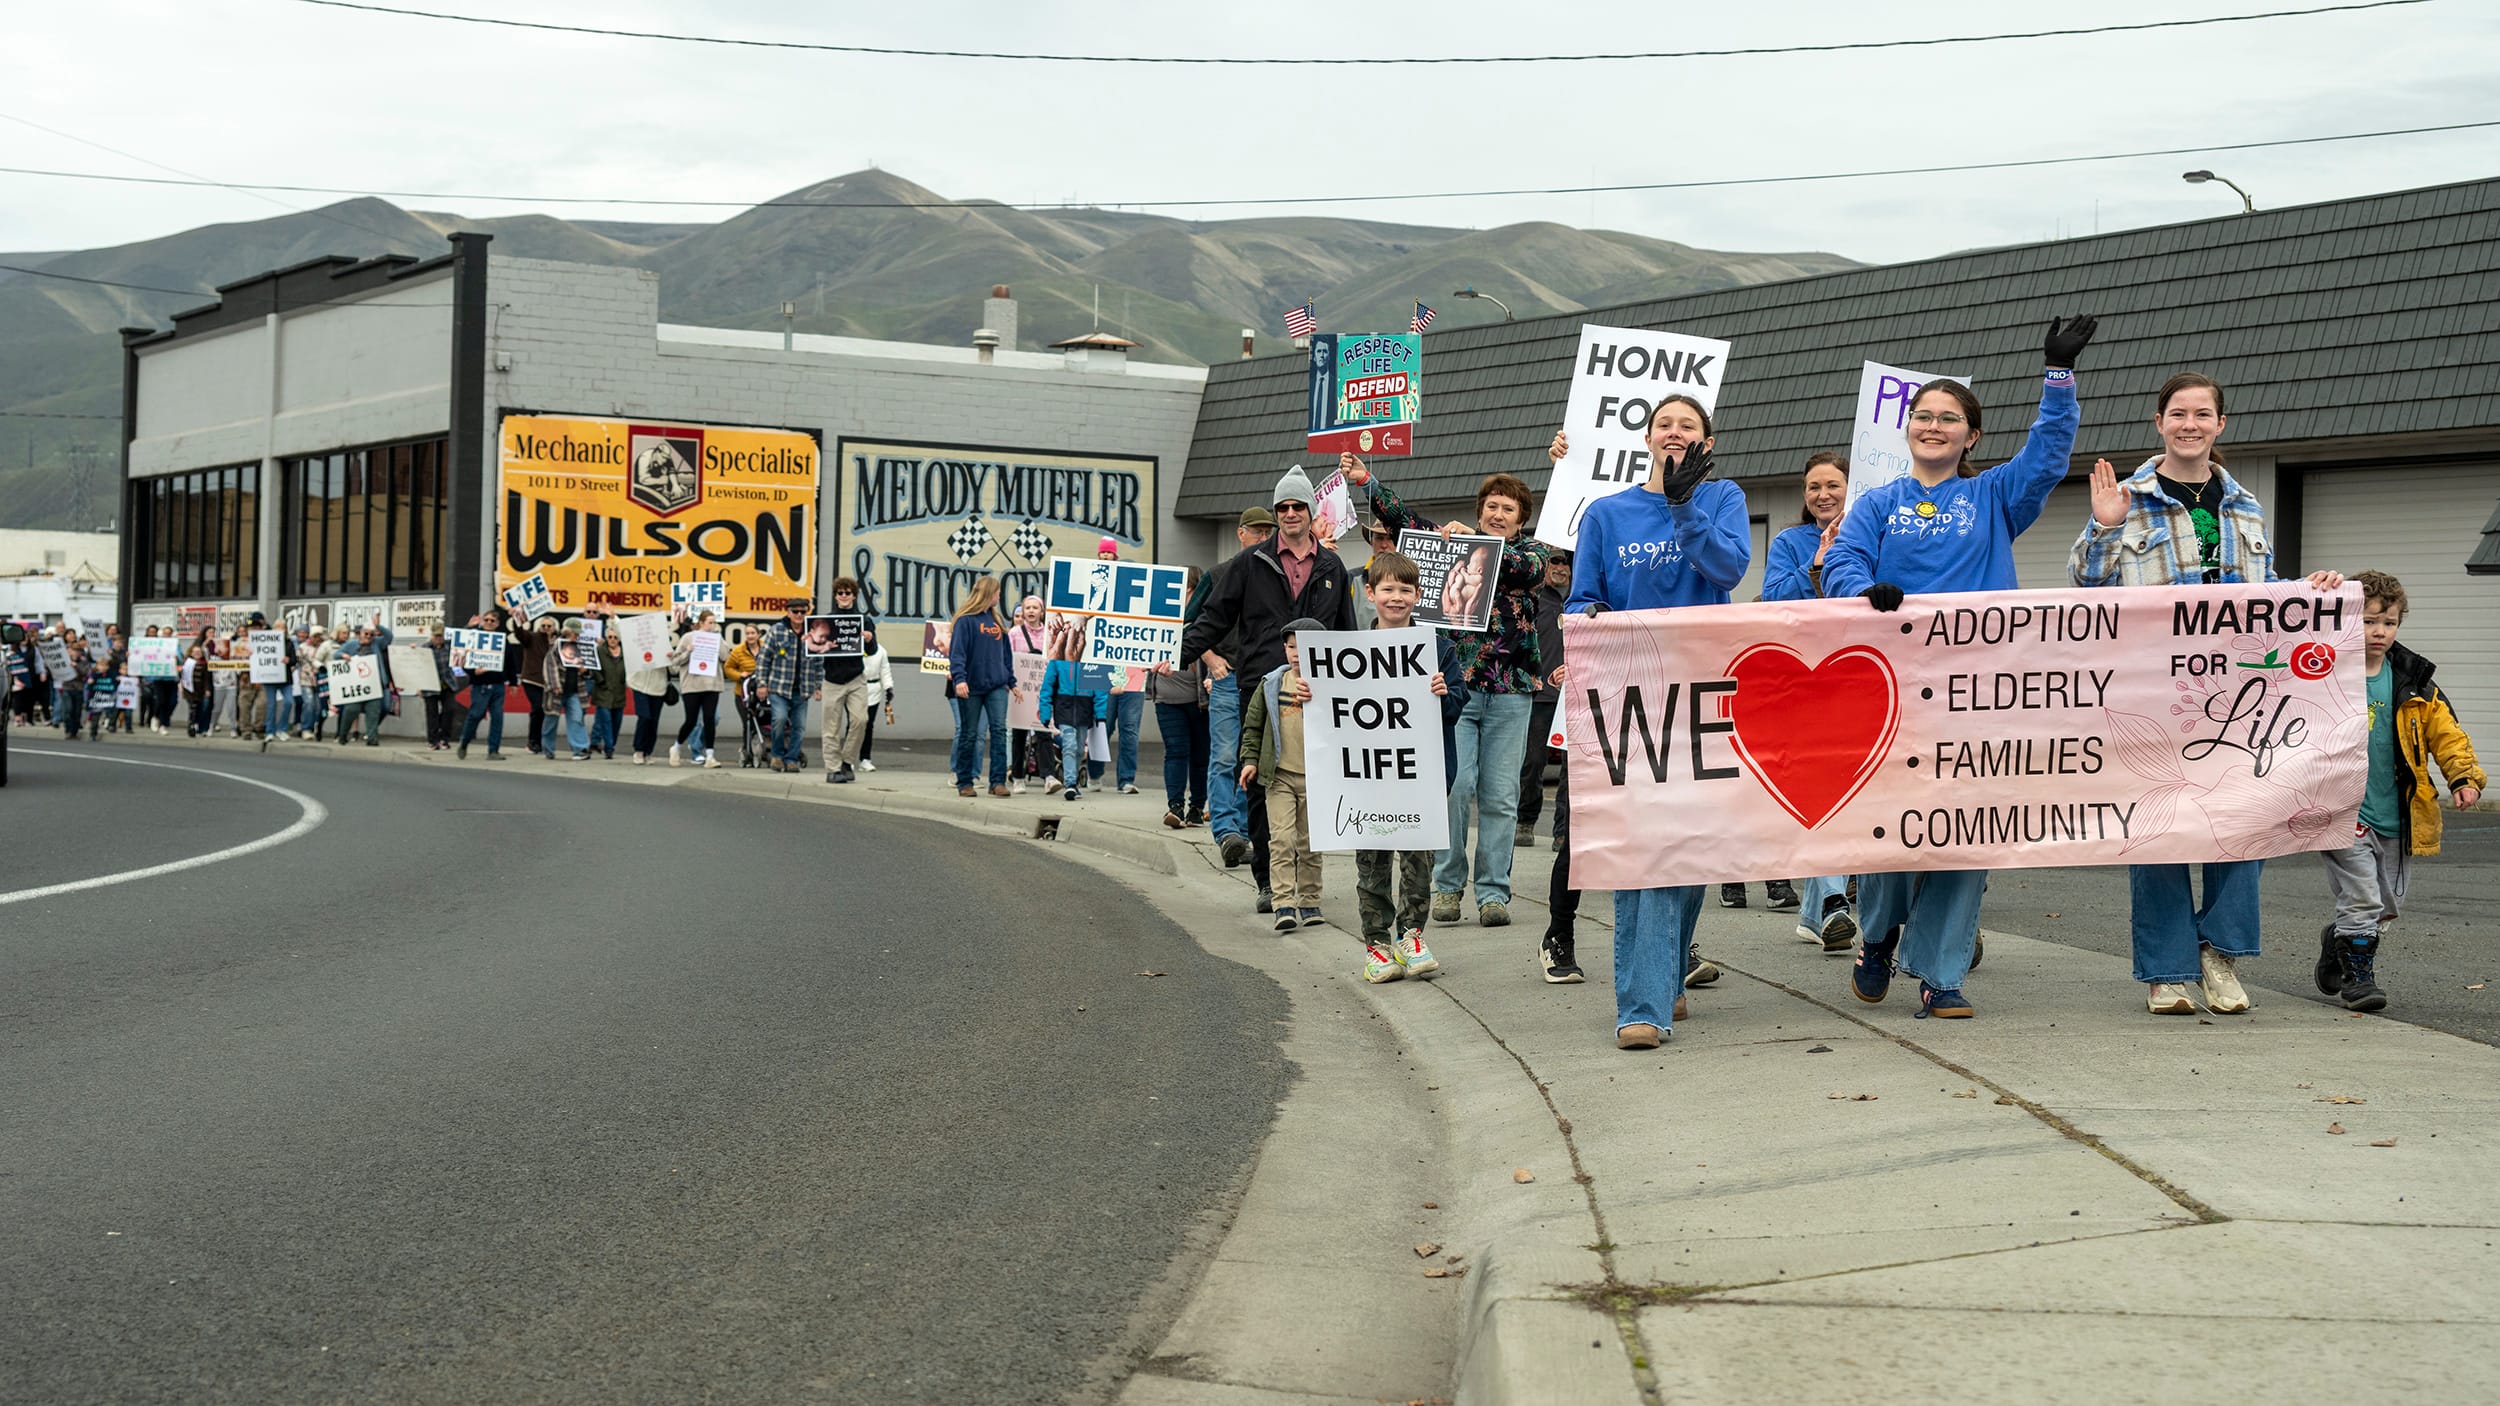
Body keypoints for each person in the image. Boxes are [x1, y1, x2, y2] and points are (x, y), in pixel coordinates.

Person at [1823, 315, 2099, 1021]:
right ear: (1907, 429)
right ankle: (1878, 936)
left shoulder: (1992, 498)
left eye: (1950, 418)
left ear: (1971, 437)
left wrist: (2058, 377)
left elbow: (2045, 455)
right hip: (1895, 695)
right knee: (1893, 831)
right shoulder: (1878, 504)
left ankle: (1941, 973)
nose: (1935, 426)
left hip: (1981, 695)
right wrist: (1863, 590)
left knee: (1965, 832)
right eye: (1924, 416)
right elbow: (1844, 564)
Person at [2070, 373, 2349, 1014]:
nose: (2189, 424)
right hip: (2153, 692)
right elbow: (2086, 586)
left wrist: (2310, 588)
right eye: (2178, 414)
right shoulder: (2128, 497)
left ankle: (2218, 954)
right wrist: (2103, 526)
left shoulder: (2244, 505)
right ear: (2159, 422)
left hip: (2238, 696)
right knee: (2162, 826)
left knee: (2245, 822)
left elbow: (2262, 590)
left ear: (2220, 425)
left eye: (2202, 414)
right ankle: (2165, 972)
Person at [1555, 389, 1753, 1045]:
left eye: (1687, 426)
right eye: (1663, 424)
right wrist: (1583, 628)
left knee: (1687, 855)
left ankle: (1665, 974)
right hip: (1628, 701)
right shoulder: (1608, 515)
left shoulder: (1722, 500)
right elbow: (1585, 598)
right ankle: (1641, 1007)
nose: (1674, 432)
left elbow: (1725, 566)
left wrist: (1682, 506)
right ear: (1646, 437)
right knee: (1644, 851)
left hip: (1702, 699)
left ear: (1707, 443)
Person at [1341, 451, 1557, 928]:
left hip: (1511, 689)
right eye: (1491, 506)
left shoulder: (1535, 554)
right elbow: (1407, 523)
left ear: (1522, 518)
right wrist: (1367, 481)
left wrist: (1476, 543)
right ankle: (1447, 885)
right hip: (1453, 689)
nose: (1497, 514)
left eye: (1508, 509)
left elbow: (1518, 567)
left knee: (1500, 796)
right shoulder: (1451, 544)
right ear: (1480, 509)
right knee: (1455, 790)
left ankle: (1493, 893)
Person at [1178, 472, 1357, 918]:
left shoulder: (1332, 567)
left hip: (1319, 692)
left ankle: (1304, 881)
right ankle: (1267, 879)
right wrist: (1177, 653)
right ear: (1276, 515)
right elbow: (1215, 618)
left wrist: (1356, 686)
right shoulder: (1251, 562)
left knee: (1314, 787)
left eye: (1298, 507)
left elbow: (1348, 633)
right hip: (1261, 688)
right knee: (1260, 782)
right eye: (1283, 509)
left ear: (1311, 513)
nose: (1291, 514)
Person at [2312, 570, 2484, 1013]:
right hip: (2344, 811)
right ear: (2348, 619)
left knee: (2388, 904)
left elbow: (2447, 734)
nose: (2379, 632)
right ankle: (2358, 979)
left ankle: (2339, 939)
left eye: (2388, 623)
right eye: (2369, 621)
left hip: (2400, 815)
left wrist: (2463, 778)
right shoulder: (2324, 670)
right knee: (2363, 897)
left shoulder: (2414, 680)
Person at [1757, 450, 1858, 950]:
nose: (1823, 494)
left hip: (1859, 680)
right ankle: (1835, 901)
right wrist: (1816, 563)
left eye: (1833, 485)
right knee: (1825, 791)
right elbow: (1772, 598)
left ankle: (1816, 910)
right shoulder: (1788, 541)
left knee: (1845, 796)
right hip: (1804, 682)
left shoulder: (1870, 534)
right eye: (1814, 486)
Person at [1351, 554, 1466, 980]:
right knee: (1372, 861)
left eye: (1405, 590)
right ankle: (1377, 945)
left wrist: (1443, 692)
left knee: (1418, 859)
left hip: (1421, 776)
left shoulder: (1438, 648)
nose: (1396, 597)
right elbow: (1334, 712)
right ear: (1370, 593)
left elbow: (1456, 705)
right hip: (1368, 778)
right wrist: (1313, 694)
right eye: (1387, 589)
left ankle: (1412, 935)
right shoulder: (1350, 652)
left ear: (1418, 596)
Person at [1182, 507, 1275, 880]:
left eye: (1268, 531)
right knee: (1223, 755)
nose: (1263, 537)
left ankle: (1243, 829)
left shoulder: (1274, 574)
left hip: (1262, 681)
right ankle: (1226, 831)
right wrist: (1210, 657)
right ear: (1240, 534)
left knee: (1250, 757)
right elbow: (1189, 619)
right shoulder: (1220, 573)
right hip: (1226, 678)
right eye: (1256, 531)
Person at [1238, 619, 1324, 933]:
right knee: (1282, 840)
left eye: (1305, 648)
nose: (1297, 655)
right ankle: (1283, 903)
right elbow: (1253, 726)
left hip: (1316, 777)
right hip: (1280, 777)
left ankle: (1310, 900)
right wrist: (1249, 761)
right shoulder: (1272, 683)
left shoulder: (1332, 683)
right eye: (1291, 647)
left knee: (1311, 842)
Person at [1517, 549, 1572, 847]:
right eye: (1554, 560)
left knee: (1571, 768)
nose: (1560, 566)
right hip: (1540, 694)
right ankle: (1525, 821)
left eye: (1565, 561)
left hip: (1573, 695)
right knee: (1533, 762)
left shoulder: (1583, 599)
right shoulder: (1536, 597)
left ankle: (1562, 831)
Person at [1148, 568, 1211, 827]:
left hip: (1200, 699)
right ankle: (1175, 806)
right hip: (1167, 697)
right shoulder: (1159, 615)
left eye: (1188, 588)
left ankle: (1197, 806)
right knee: (1176, 751)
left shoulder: (1207, 618)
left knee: (1200, 754)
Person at [948, 577, 1016, 797]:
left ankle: (997, 782)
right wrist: (960, 679)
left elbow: (1006, 654)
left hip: (997, 685)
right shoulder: (965, 621)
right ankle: (964, 781)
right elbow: (957, 653)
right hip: (972, 686)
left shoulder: (996, 621)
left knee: (999, 731)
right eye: (997, 592)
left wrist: (1011, 681)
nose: (999, 596)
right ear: (989, 593)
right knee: (969, 733)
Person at [1038, 616, 1111, 802]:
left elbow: (1100, 690)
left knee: (1079, 748)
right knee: (1069, 744)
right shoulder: (1058, 661)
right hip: (1064, 706)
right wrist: (1045, 711)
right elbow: (1047, 687)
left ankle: (1074, 782)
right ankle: (1070, 783)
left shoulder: (1092, 660)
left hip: (1084, 709)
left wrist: (1100, 714)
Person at [753, 598, 823, 774]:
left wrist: (818, 685)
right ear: (788, 612)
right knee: (780, 719)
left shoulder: (813, 633)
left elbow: (819, 661)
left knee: (799, 726)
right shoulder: (777, 631)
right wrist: (761, 684)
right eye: (795, 611)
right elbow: (763, 659)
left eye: (803, 611)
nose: (799, 615)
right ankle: (777, 755)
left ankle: (791, 759)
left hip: (803, 688)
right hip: (779, 687)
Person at [819, 577, 876, 784]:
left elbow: (872, 651)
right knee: (831, 727)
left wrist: (869, 639)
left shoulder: (864, 620)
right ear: (835, 596)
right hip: (832, 680)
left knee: (861, 720)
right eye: (840, 593)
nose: (844, 596)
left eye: (847, 592)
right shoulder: (824, 621)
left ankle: (847, 761)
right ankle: (833, 768)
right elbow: (816, 651)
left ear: (854, 595)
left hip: (855, 678)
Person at [1007, 594, 1056, 794]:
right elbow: (1007, 659)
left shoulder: (1050, 633)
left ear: (1042, 611)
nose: (1031, 611)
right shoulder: (1014, 633)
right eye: (1028, 608)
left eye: (1035, 607)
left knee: (1044, 731)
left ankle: (1049, 777)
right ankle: (1018, 777)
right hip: (1020, 691)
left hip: (1042, 691)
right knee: (1019, 735)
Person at [668, 610, 726, 768]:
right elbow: (675, 661)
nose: (713, 626)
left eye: (715, 623)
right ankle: (676, 747)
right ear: (701, 623)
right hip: (692, 685)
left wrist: (718, 640)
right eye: (710, 622)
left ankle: (710, 755)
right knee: (691, 720)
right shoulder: (688, 637)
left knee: (709, 719)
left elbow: (725, 657)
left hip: (712, 685)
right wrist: (688, 651)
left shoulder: (718, 638)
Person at [455, 611, 514, 761]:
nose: (488, 622)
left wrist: (513, 682)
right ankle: (464, 743)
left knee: (497, 718)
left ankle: (493, 750)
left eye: (492, 620)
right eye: (486, 619)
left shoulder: (502, 639)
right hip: (480, 685)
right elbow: (460, 653)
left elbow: (510, 661)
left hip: (498, 685)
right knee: (475, 715)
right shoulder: (474, 636)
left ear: (497, 623)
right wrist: (473, 671)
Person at [333, 620, 395, 746]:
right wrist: (344, 655)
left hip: (374, 684)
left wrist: (378, 625)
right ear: (360, 633)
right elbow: (336, 655)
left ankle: (372, 738)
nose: (368, 637)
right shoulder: (351, 644)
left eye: (371, 635)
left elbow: (389, 636)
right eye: (366, 634)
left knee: (373, 711)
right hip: (356, 685)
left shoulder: (377, 643)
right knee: (351, 710)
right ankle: (343, 734)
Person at [859, 623, 897, 774]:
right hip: (856, 688)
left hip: (874, 690)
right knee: (854, 724)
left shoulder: (881, 651)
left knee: (868, 725)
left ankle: (865, 758)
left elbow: (885, 670)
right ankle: (848, 758)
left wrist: (889, 688)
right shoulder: (853, 649)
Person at [589, 628, 628, 759]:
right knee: (606, 721)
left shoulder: (626, 653)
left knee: (616, 722)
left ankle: (611, 744)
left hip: (619, 693)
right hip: (603, 692)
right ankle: (609, 748)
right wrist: (601, 681)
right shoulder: (600, 651)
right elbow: (594, 668)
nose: (612, 640)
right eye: (610, 637)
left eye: (615, 637)